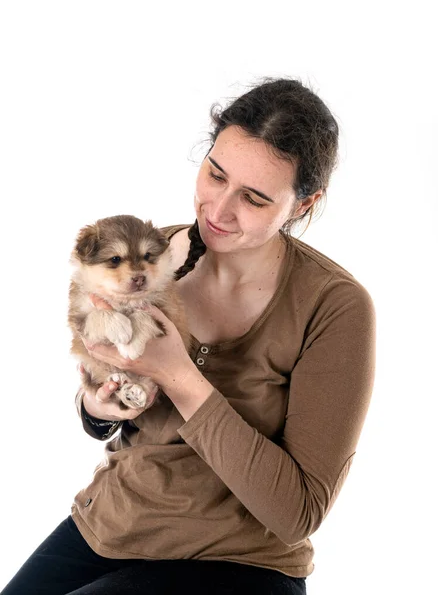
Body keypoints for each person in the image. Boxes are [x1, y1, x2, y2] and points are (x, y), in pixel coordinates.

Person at [1, 77, 376, 595]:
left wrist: (178, 375)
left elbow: (298, 512)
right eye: (215, 174)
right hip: (114, 525)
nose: (218, 211)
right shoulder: (151, 258)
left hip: (240, 561)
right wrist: (98, 407)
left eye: (254, 198)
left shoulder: (334, 307)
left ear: (303, 204)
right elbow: (108, 389)